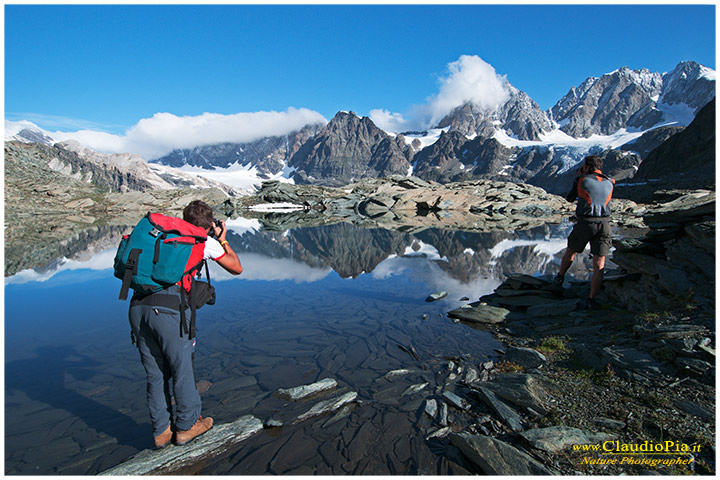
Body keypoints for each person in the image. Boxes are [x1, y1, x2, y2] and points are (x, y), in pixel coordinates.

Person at [129, 200, 243, 449]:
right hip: (168, 312)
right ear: (209, 223)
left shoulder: (165, 235)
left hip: (137, 307)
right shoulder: (201, 241)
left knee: (156, 373)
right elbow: (236, 267)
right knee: (182, 369)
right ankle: (187, 426)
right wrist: (222, 239)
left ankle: (161, 431)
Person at [554, 156, 615, 310]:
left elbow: (570, 198)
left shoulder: (581, 180)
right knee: (599, 263)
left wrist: (579, 176)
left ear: (588, 167)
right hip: (605, 224)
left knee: (571, 251)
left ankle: (560, 277)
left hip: (586, 223)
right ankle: (591, 298)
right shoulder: (610, 182)